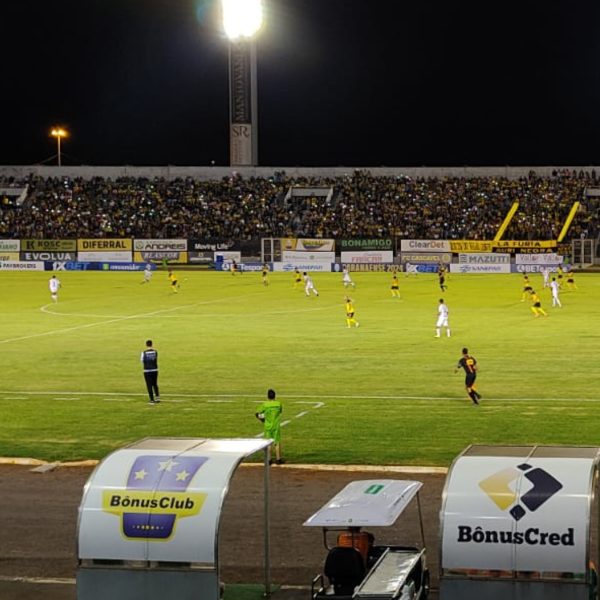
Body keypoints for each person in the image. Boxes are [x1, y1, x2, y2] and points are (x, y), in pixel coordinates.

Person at [255, 389, 283, 464]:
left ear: (267, 396)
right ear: (275, 396)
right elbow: (280, 411)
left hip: (267, 425)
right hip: (276, 425)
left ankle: (269, 460)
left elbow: (257, 413)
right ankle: (278, 459)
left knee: (268, 443)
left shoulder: (265, 405)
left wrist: (262, 420)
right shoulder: (278, 404)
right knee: (277, 442)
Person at [141, 339, 160, 404]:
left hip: (147, 370)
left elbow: (142, 361)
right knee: (155, 384)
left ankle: (151, 399)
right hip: (155, 370)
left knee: (149, 385)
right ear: (152, 344)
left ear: (146, 345)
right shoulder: (155, 352)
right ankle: (157, 398)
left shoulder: (144, 352)